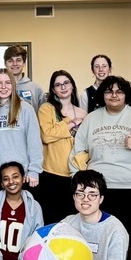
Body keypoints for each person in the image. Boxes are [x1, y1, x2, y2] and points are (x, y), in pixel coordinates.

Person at [71, 75, 131, 260]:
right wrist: (78, 178)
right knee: (104, 231)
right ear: (102, 95)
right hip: (101, 186)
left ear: (126, 95)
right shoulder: (92, 118)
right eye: (109, 91)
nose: (114, 95)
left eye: (119, 91)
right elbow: (78, 150)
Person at [37, 69, 86, 223]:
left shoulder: (83, 113)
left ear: (72, 86)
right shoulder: (47, 109)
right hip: (51, 174)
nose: (63, 87)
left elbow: (86, 144)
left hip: (75, 174)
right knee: (52, 220)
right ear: (53, 90)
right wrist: (71, 123)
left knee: (72, 221)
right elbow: (47, 135)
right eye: (58, 85)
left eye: (66, 83)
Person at [0, 68, 42, 196]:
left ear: (13, 85)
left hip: (22, 176)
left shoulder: (25, 109)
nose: (3, 87)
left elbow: (34, 141)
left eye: (8, 82)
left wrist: (34, 170)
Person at [3, 44, 43, 108]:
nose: (14, 64)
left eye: (18, 60)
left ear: (24, 63)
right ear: (5, 63)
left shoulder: (36, 89)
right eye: (10, 61)